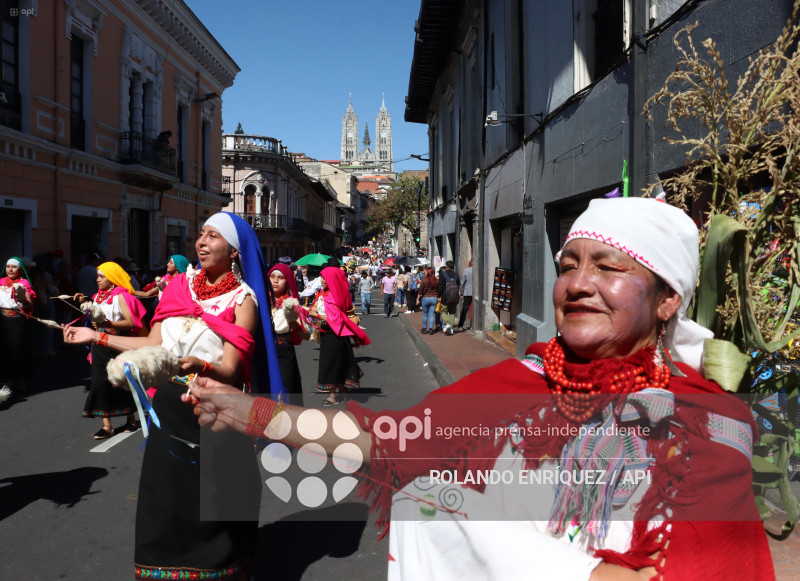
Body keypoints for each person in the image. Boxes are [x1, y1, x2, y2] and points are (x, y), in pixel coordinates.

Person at [184, 197, 774, 581]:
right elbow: (385, 440)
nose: (577, 284)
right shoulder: (516, 385)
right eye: (568, 265)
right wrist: (250, 413)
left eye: (608, 268)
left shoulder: (708, 420)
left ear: (668, 298)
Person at [62, 212, 284, 580]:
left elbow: (231, 369)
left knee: (214, 496)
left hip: (213, 408)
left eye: (212, 236)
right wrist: (97, 337)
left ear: (233, 251)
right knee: (166, 498)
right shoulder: (179, 286)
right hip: (168, 408)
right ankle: (163, 567)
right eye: (200, 234)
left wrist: (200, 365)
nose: (201, 242)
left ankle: (222, 566)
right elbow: (152, 343)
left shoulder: (243, 299)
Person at [73, 262, 147, 438]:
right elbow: (94, 317)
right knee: (99, 382)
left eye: (102, 276)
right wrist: (84, 303)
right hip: (99, 344)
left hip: (118, 344)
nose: (98, 280)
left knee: (122, 381)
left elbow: (131, 322)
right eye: (97, 276)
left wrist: (108, 323)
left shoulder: (121, 297)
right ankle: (107, 426)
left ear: (112, 278)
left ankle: (130, 418)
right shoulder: (97, 297)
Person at [308, 266, 370, 406]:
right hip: (326, 334)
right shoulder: (323, 293)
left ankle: (332, 396)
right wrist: (303, 309)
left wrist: (316, 315)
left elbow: (335, 319)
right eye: (321, 277)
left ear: (332, 280)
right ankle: (342, 391)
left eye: (324, 278)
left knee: (331, 363)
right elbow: (321, 308)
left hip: (335, 335)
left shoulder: (336, 297)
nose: (322, 280)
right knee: (338, 362)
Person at [267, 263, 309, 405]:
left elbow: (306, 335)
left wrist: (295, 325)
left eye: (280, 278)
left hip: (284, 357)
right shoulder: (260, 301)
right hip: (263, 354)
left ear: (288, 281)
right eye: (272, 277)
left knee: (287, 395)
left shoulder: (291, 305)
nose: (275, 281)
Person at [0, 257, 37, 395]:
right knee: (4, 351)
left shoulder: (24, 283)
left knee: (18, 350)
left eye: (13, 267)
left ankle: (21, 379)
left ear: (20, 269)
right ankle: (6, 380)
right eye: (8, 266)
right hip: (2, 320)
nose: (10, 269)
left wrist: (22, 297)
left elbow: (29, 304)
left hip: (17, 321)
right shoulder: (1, 282)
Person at [438, 260, 460, 335]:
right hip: (454, 297)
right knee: (452, 313)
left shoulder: (443, 274)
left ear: (446, 267)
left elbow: (440, 286)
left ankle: (447, 324)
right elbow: (458, 285)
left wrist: (438, 295)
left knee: (443, 311)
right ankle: (450, 328)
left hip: (445, 297)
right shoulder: (456, 275)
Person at [416, 267, 439, 334]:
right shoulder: (436, 280)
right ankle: (431, 329)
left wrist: (418, 299)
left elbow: (420, 291)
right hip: (434, 298)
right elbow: (438, 290)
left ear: (428, 272)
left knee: (425, 314)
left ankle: (424, 328)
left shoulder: (424, 280)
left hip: (425, 298)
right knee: (431, 315)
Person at [458, 260, 473, 331]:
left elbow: (462, 282)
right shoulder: (479, 270)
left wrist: (461, 292)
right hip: (477, 293)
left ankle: (460, 325)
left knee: (465, 309)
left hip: (468, 292)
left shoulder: (466, 270)